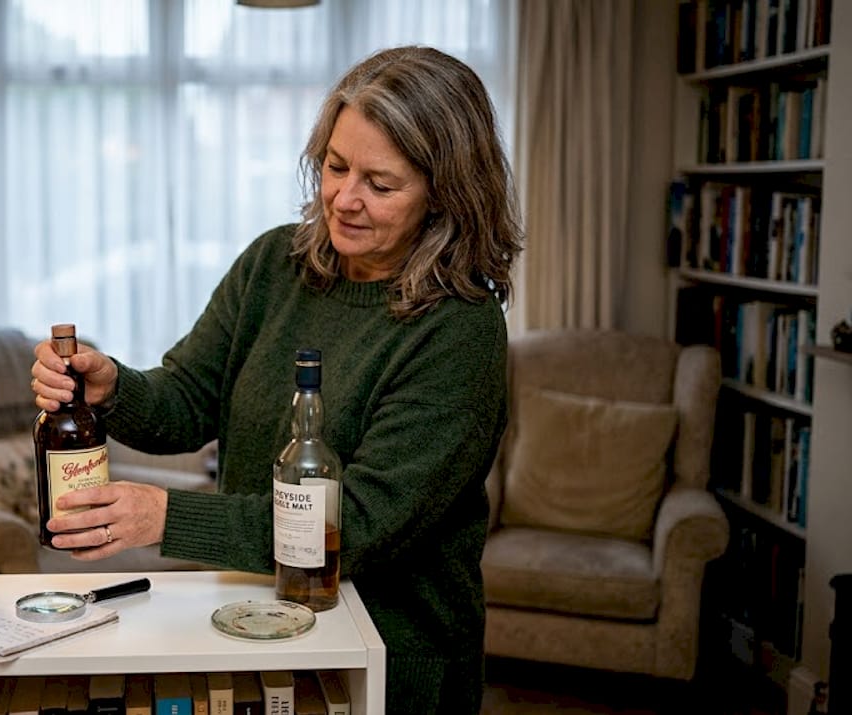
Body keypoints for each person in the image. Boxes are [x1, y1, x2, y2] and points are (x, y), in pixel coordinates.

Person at [30, 45, 522, 714]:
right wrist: (109, 384)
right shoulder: (274, 264)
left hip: (393, 651)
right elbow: (184, 399)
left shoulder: (461, 328)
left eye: (380, 184)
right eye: (335, 166)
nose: (344, 199)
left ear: (444, 195)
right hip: (256, 618)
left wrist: (166, 515)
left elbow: (364, 522)